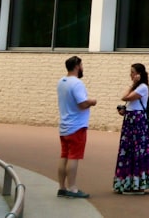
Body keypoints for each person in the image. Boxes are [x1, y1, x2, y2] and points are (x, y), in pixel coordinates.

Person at [57, 55, 97, 199]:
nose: (82, 67)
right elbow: (82, 103)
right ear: (77, 66)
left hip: (64, 125)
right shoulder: (77, 83)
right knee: (74, 157)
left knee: (64, 155)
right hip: (77, 126)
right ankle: (72, 188)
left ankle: (61, 187)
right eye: (81, 65)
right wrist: (92, 101)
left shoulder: (61, 82)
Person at [114, 63, 149, 194]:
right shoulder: (138, 88)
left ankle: (137, 185)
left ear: (139, 74)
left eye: (132, 72)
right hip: (131, 120)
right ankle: (127, 182)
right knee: (128, 150)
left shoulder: (142, 87)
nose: (130, 75)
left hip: (137, 122)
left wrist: (132, 84)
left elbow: (124, 97)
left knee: (136, 151)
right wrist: (125, 111)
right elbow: (131, 103)